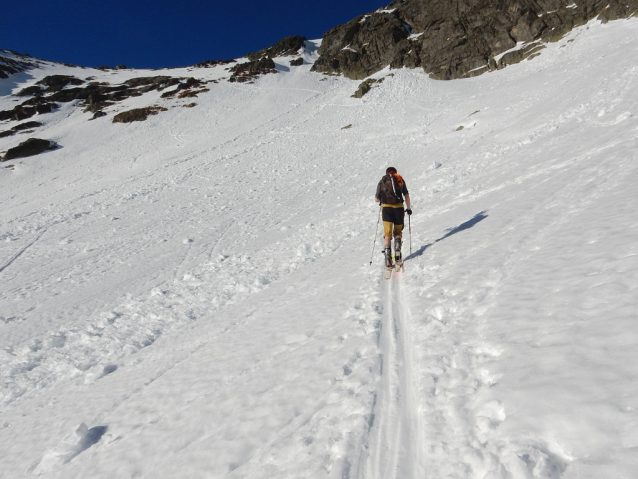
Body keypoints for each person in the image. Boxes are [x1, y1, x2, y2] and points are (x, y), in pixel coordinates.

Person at [375, 167, 412, 267]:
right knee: (397, 232)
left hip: (386, 209)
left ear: (386, 173)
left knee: (387, 234)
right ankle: (397, 250)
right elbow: (406, 195)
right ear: (395, 172)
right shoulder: (400, 179)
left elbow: (376, 200)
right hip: (399, 208)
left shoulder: (382, 181)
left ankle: (387, 258)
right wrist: (408, 209)